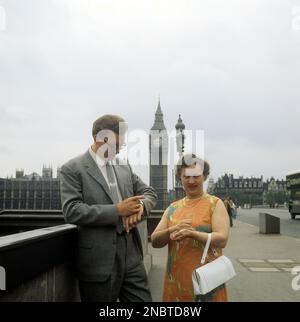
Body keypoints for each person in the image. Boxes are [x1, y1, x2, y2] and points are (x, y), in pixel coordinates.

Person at [60, 114, 157, 302]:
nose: (120, 150)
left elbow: (149, 193)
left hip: (131, 253)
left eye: (121, 144)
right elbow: (71, 210)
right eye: (115, 145)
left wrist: (140, 207)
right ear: (98, 139)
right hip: (98, 260)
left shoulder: (123, 166)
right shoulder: (72, 169)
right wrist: (118, 211)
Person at [151, 154, 230, 302]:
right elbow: (155, 241)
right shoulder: (172, 208)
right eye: (186, 176)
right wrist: (171, 230)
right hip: (176, 283)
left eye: (196, 176)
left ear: (204, 176)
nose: (191, 181)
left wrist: (192, 234)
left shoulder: (215, 204)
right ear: (180, 178)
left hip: (208, 282)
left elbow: (222, 239)